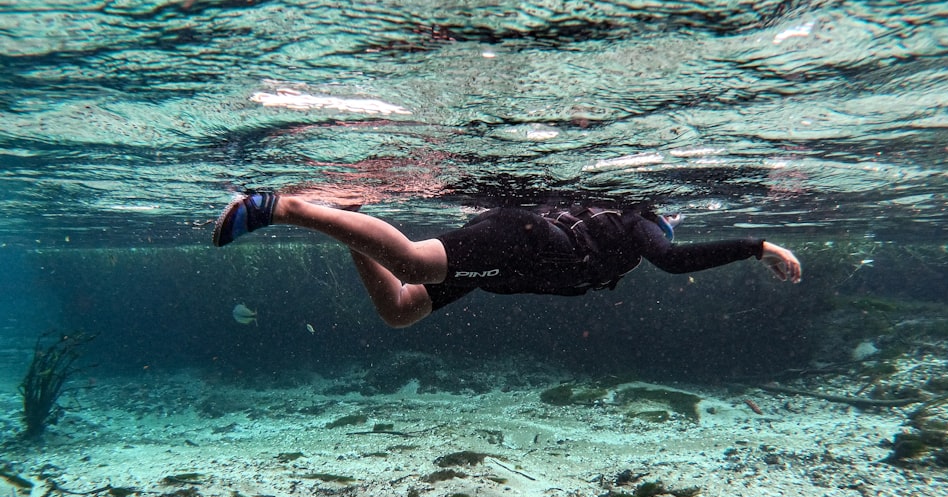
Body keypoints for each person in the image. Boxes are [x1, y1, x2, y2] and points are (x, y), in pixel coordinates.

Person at [212, 192, 801, 328]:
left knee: (400, 309)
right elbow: (674, 262)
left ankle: (348, 223)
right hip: (522, 240)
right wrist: (757, 246)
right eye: (671, 222)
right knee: (414, 264)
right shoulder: (643, 220)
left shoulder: (630, 228)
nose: (669, 229)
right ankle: (277, 207)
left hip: (513, 267)